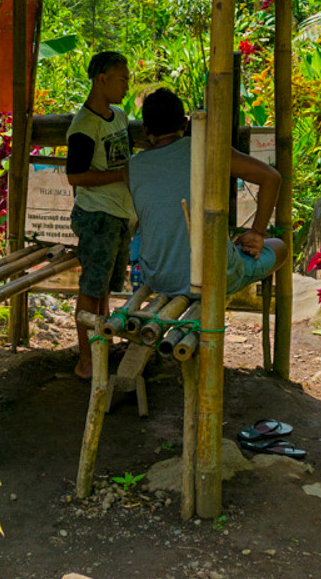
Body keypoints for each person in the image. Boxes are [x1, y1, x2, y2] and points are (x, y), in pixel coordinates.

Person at [125, 87, 285, 299]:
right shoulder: (207, 149)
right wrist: (257, 232)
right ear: (184, 124)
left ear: (145, 130)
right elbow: (271, 178)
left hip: (159, 278)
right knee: (280, 247)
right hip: (215, 276)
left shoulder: (132, 167)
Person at [63, 49, 136, 379]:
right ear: (101, 80)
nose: (126, 86)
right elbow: (76, 177)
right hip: (96, 215)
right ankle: (86, 363)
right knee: (91, 289)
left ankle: (100, 348)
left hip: (118, 215)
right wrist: (121, 176)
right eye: (122, 79)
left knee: (104, 288)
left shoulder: (118, 116)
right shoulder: (84, 126)